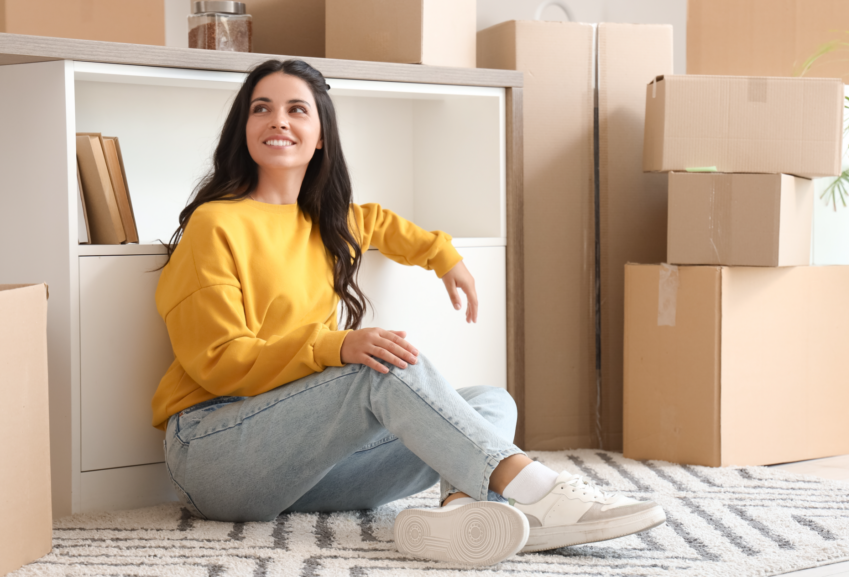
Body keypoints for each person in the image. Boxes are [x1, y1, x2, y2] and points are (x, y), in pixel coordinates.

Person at [152, 58, 665, 567]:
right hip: (215, 452)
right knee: (380, 363)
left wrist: (444, 256)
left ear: (321, 134)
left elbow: (378, 223)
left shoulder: (329, 223)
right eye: (261, 109)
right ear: (244, 129)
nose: (278, 120)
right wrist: (335, 345)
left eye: (297, 110)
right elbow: (218, 360)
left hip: (302, 472)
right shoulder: (215, 224)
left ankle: (463, 514)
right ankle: (541, 492)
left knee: (488, 403)